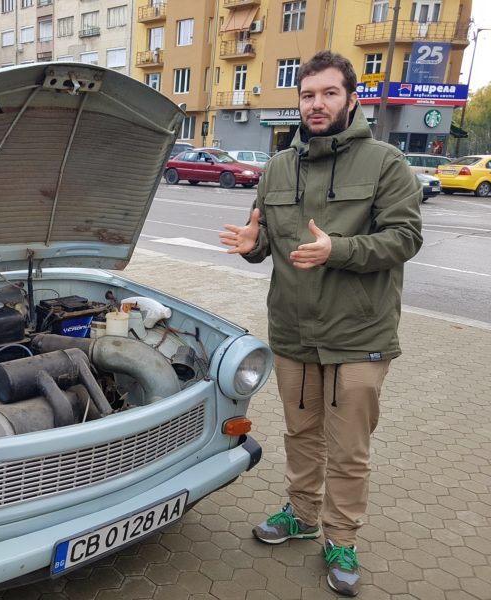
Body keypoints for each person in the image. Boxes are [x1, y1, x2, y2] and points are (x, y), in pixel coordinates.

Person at [219, 51, 422, 597]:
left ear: (351, 98)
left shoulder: (385, 164)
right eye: (308, 95)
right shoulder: (278, 167)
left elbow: (406, 238)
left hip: (359, 336)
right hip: (292, 333)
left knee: (349, 449)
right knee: (301, 436)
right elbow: (265, 244)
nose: (317, 104)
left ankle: (342, 538)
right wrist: (249, 246)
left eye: (329, 93)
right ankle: (302, 515)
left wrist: (340, 249)